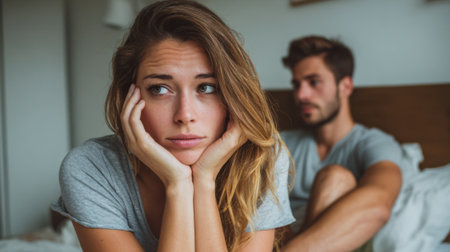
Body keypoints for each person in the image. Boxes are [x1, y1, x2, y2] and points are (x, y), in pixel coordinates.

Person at [51, 1, 294, 251]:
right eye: (160, 89)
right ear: (130, 97)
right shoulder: (90, 167)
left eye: (207, 87)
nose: (184, 115)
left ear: (233, 97)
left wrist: (204, 180)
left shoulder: (262, 158)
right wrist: (178, 185)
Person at [279, 36, 405, 251]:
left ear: (345, 86)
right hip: (280, 239)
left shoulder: (374, 143)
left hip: (339, 241)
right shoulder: (281, 142)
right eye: (296, 84)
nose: (301, 95)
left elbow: (377, 205)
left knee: (336, 178)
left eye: (314, 82)